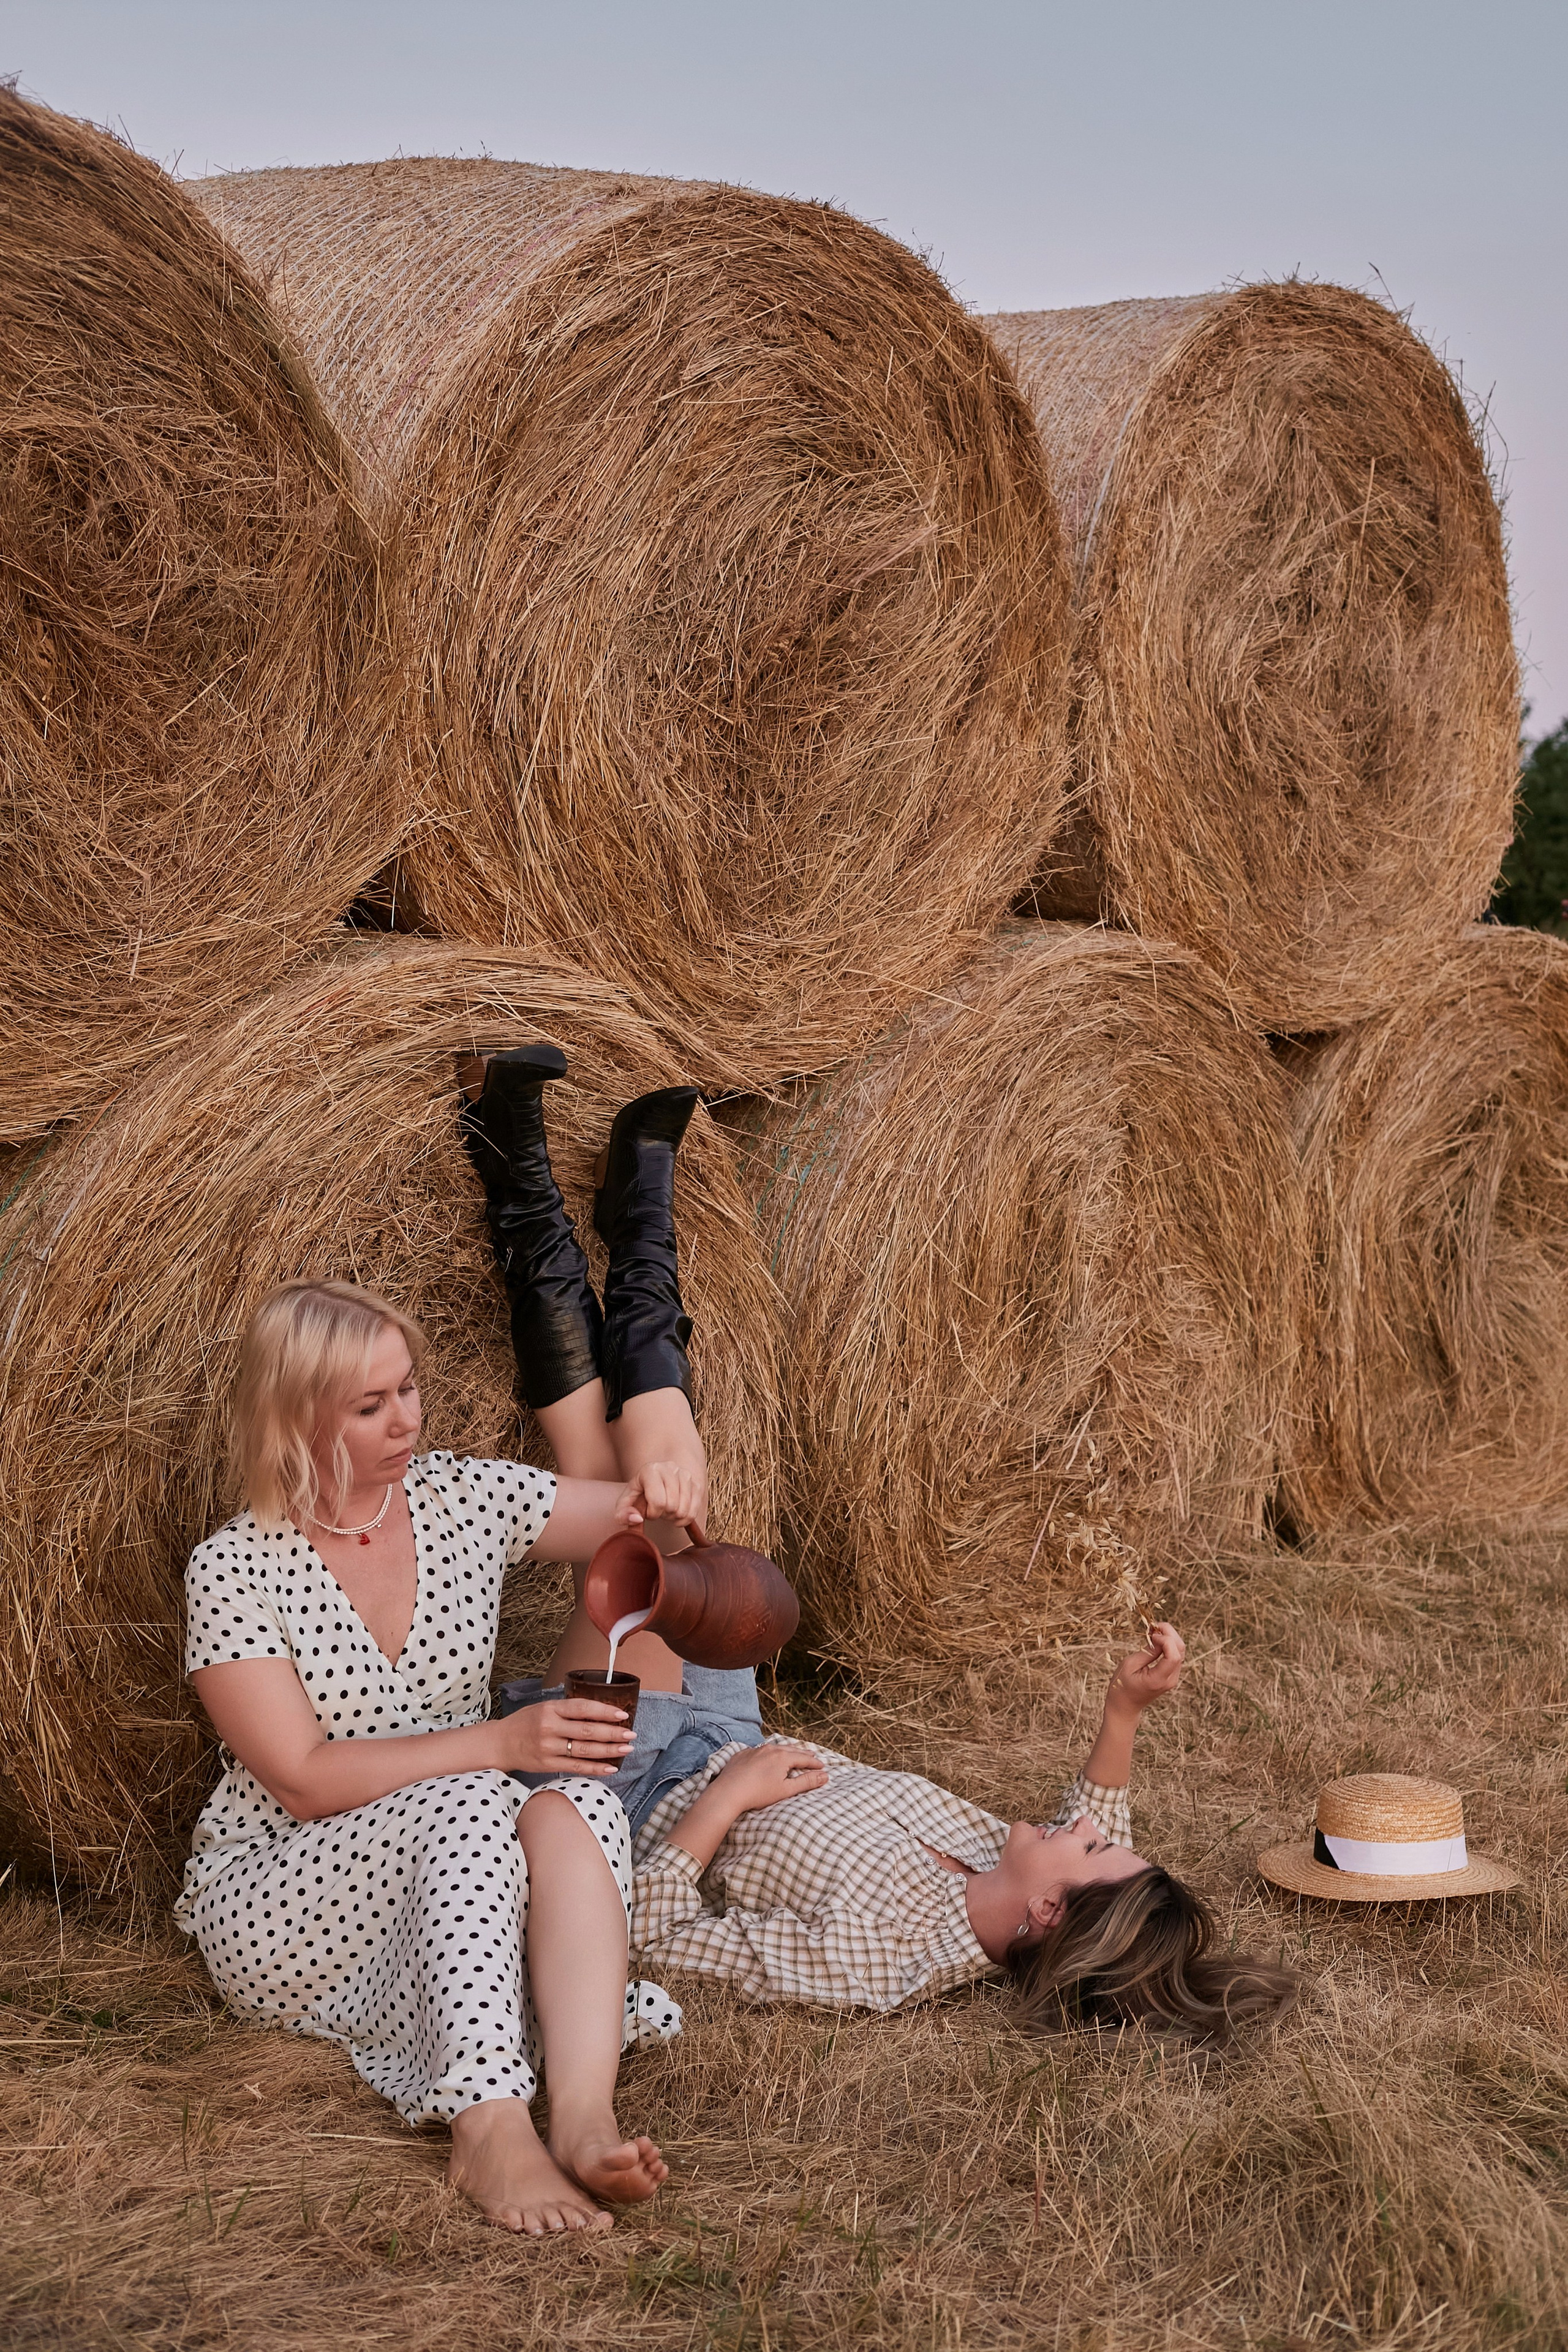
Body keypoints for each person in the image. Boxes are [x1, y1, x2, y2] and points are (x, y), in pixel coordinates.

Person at [177, 1058, 726, 2239]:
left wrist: (665, 1452)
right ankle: (490, 2128)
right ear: (297, 1422)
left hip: (444, 1853)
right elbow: (301, 1779)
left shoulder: (457, 1496)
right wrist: (502, 1739)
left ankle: (580, 2112)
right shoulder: (233, 1566)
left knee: (574, 1806)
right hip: (285, 1894)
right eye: (371, 1406)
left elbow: (629, 1515)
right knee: (484, 1797)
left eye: (410, 1390)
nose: (408, 1420)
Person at [628, 1625, 1298, 2038]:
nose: (1086, 1824)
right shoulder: (997, 1865)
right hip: (733, 1729)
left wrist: (724, 1802)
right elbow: (1102, 1816)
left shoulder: (877, 1959)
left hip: (643, 1779)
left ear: (1046, 1909)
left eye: (1090, 1844)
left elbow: (650, 1938)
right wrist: (1124, 1709)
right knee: (694, 1531)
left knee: (639, 1534)